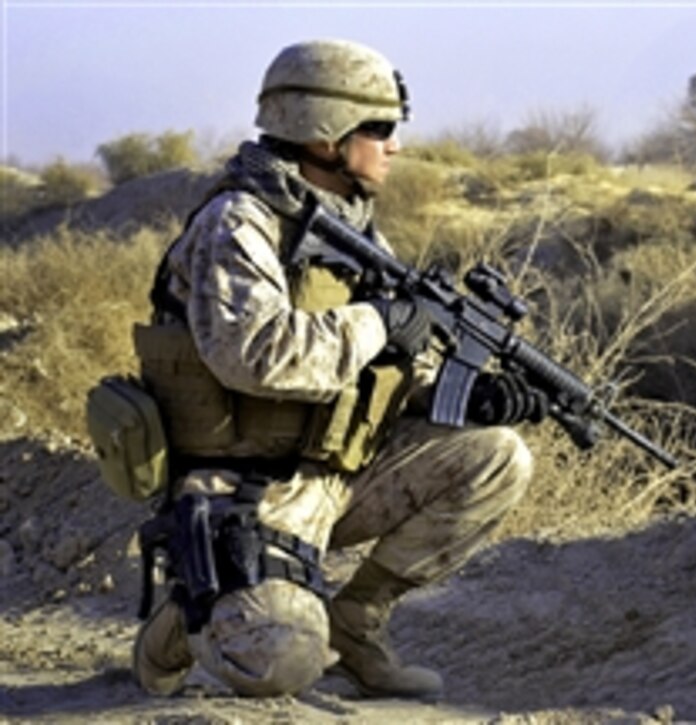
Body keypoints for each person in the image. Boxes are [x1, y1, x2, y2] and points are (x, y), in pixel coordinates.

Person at [130, 38, 547, 700]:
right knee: (282, 662)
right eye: (379, 129)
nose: (395, 146)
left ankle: (355, 621)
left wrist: (469, 395)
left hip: (337, 473)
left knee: (498, 456)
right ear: (324, 137)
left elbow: (384, 370)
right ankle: (185, 616)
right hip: (244, 489)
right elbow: (255, 353)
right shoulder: (238, 223)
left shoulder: (352, 232)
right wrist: (378, 320)